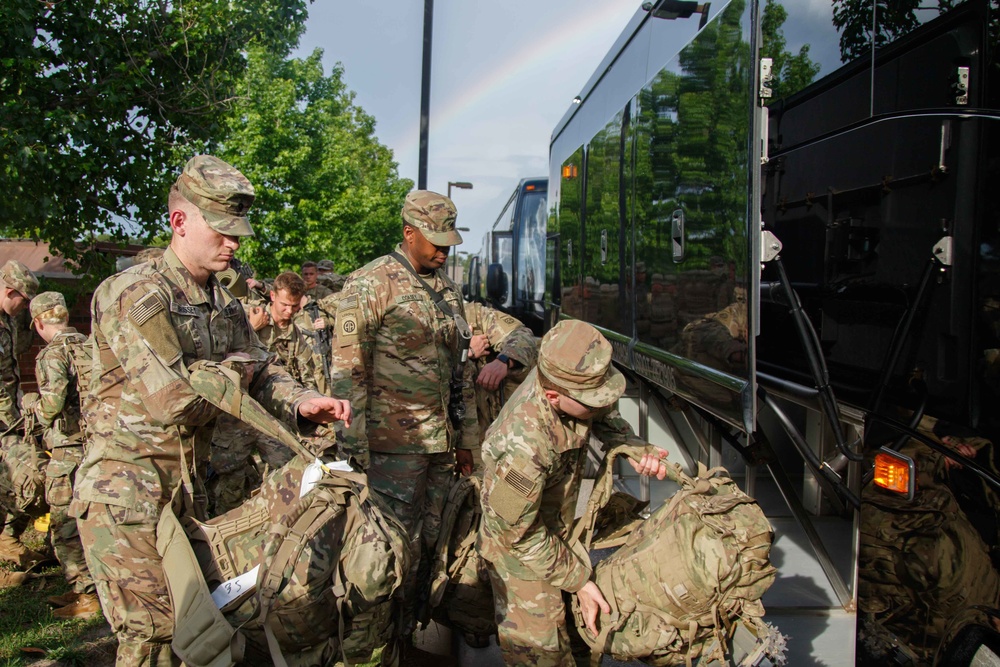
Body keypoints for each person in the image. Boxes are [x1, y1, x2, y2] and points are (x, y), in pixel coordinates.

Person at [69, 155, 352, 667]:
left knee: (207, 632)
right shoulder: (137, 294)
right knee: (156, 640)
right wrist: (241, 369)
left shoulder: (222, 303)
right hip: (130, 496)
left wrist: (302, 401)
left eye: (238, 231)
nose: (235, 243)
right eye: (221, 230)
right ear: (180, 222)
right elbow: (176, 399)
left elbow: (263, 372)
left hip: (191, 492)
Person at [330, 189, 474, 657]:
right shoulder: (371, 284)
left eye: (448, 241)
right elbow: (348, 372)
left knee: (428, 547)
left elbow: (461, 373)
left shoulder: (449, 293)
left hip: (439, 449)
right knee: (383, 552)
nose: (442, 250)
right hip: (389, 450)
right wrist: (354, 452)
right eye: (434, 240)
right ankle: (369, 647)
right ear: (408, 233)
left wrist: (467, 439)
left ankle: (408, 635)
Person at [477, 319, 668, 666]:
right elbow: (513, 534)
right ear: (553, 396)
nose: (603, 404)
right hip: (521, 559)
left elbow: (605, 416)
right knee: (543, 654)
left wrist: (637, 449)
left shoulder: (567, 380)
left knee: (578, 638)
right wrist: (579, 579)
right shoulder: (522, 445)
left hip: (556, 531)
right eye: (593, 399)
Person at [209, 270, 332, 514]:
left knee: (285, 470)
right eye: (285, 305)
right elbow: (220, 356)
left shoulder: (295, 334)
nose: (289, 312)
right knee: (230, 482)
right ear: (272, 296)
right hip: (237, 413)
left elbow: (304, 376)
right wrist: (253, 328)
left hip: (271, 416)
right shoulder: (247, 315)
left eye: (294, 307)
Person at [21, 291, 99, 618]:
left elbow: (52, 404)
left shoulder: (52, 355)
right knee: (94, 521)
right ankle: (92, 588)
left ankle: (87, 596)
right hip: (98, 445)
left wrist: (31, 411)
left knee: (64, 524)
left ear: (39, 322)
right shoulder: (93, 345)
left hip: (68, 450)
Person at [0, 259, 44, 567]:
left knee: (22, 479)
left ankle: (8, 542)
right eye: (23, 301)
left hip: (9, 416)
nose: (24, 307)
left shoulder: (8, 322)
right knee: (23, 476)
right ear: (9, 290)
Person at [461, 302, 538, 464]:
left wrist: (504, 360)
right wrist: (464, 352)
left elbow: (522, 335)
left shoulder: (473, 316)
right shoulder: (403, 319)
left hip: (478, 437)